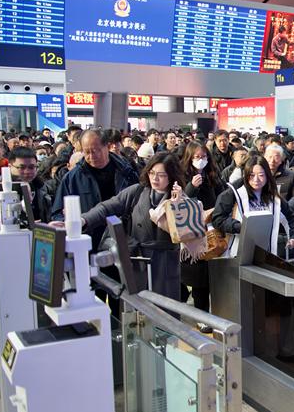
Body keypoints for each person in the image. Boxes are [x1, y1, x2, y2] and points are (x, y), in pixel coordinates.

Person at [80, 153, 184, 300]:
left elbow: (187, 231)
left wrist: (179, 203)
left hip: (165, 262)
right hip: (138, 258)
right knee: (139, 309)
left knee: (166, 309)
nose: (155, 178)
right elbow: (107, 207)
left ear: (172, 176)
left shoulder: (179, 197)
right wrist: (84, 219)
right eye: (152, 173)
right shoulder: (137, 192)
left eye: (161, 175)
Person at [51, 129, 140, 246]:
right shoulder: (72, 178)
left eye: (96, 151)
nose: (92, 156)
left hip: (123, 239)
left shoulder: (126, 172)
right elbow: (57, 213)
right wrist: (67, 222)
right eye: (86, 152)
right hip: (88, 240)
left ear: (107, 146)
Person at [211, 156, 294, 259]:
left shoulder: (273, 197)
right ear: (246, 175)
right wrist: (240, 227)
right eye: (251, 175)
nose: (256, 180)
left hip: (267, 253)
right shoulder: (234, 193)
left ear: (267, 175)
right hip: (238, 253)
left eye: (261, 175)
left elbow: (290, 218)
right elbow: (218, 219)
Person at [180, 142, 225, 311]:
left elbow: (222, 196)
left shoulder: (213, 175)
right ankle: (201, 315)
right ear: (189, 158)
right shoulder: (183, 176)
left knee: (214, 275)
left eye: (204, 157)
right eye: (197, 157)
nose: (201, 160)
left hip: (213, 230)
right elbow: (180, 203)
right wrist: (192, 186)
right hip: (193, 233)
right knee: (199, 279)